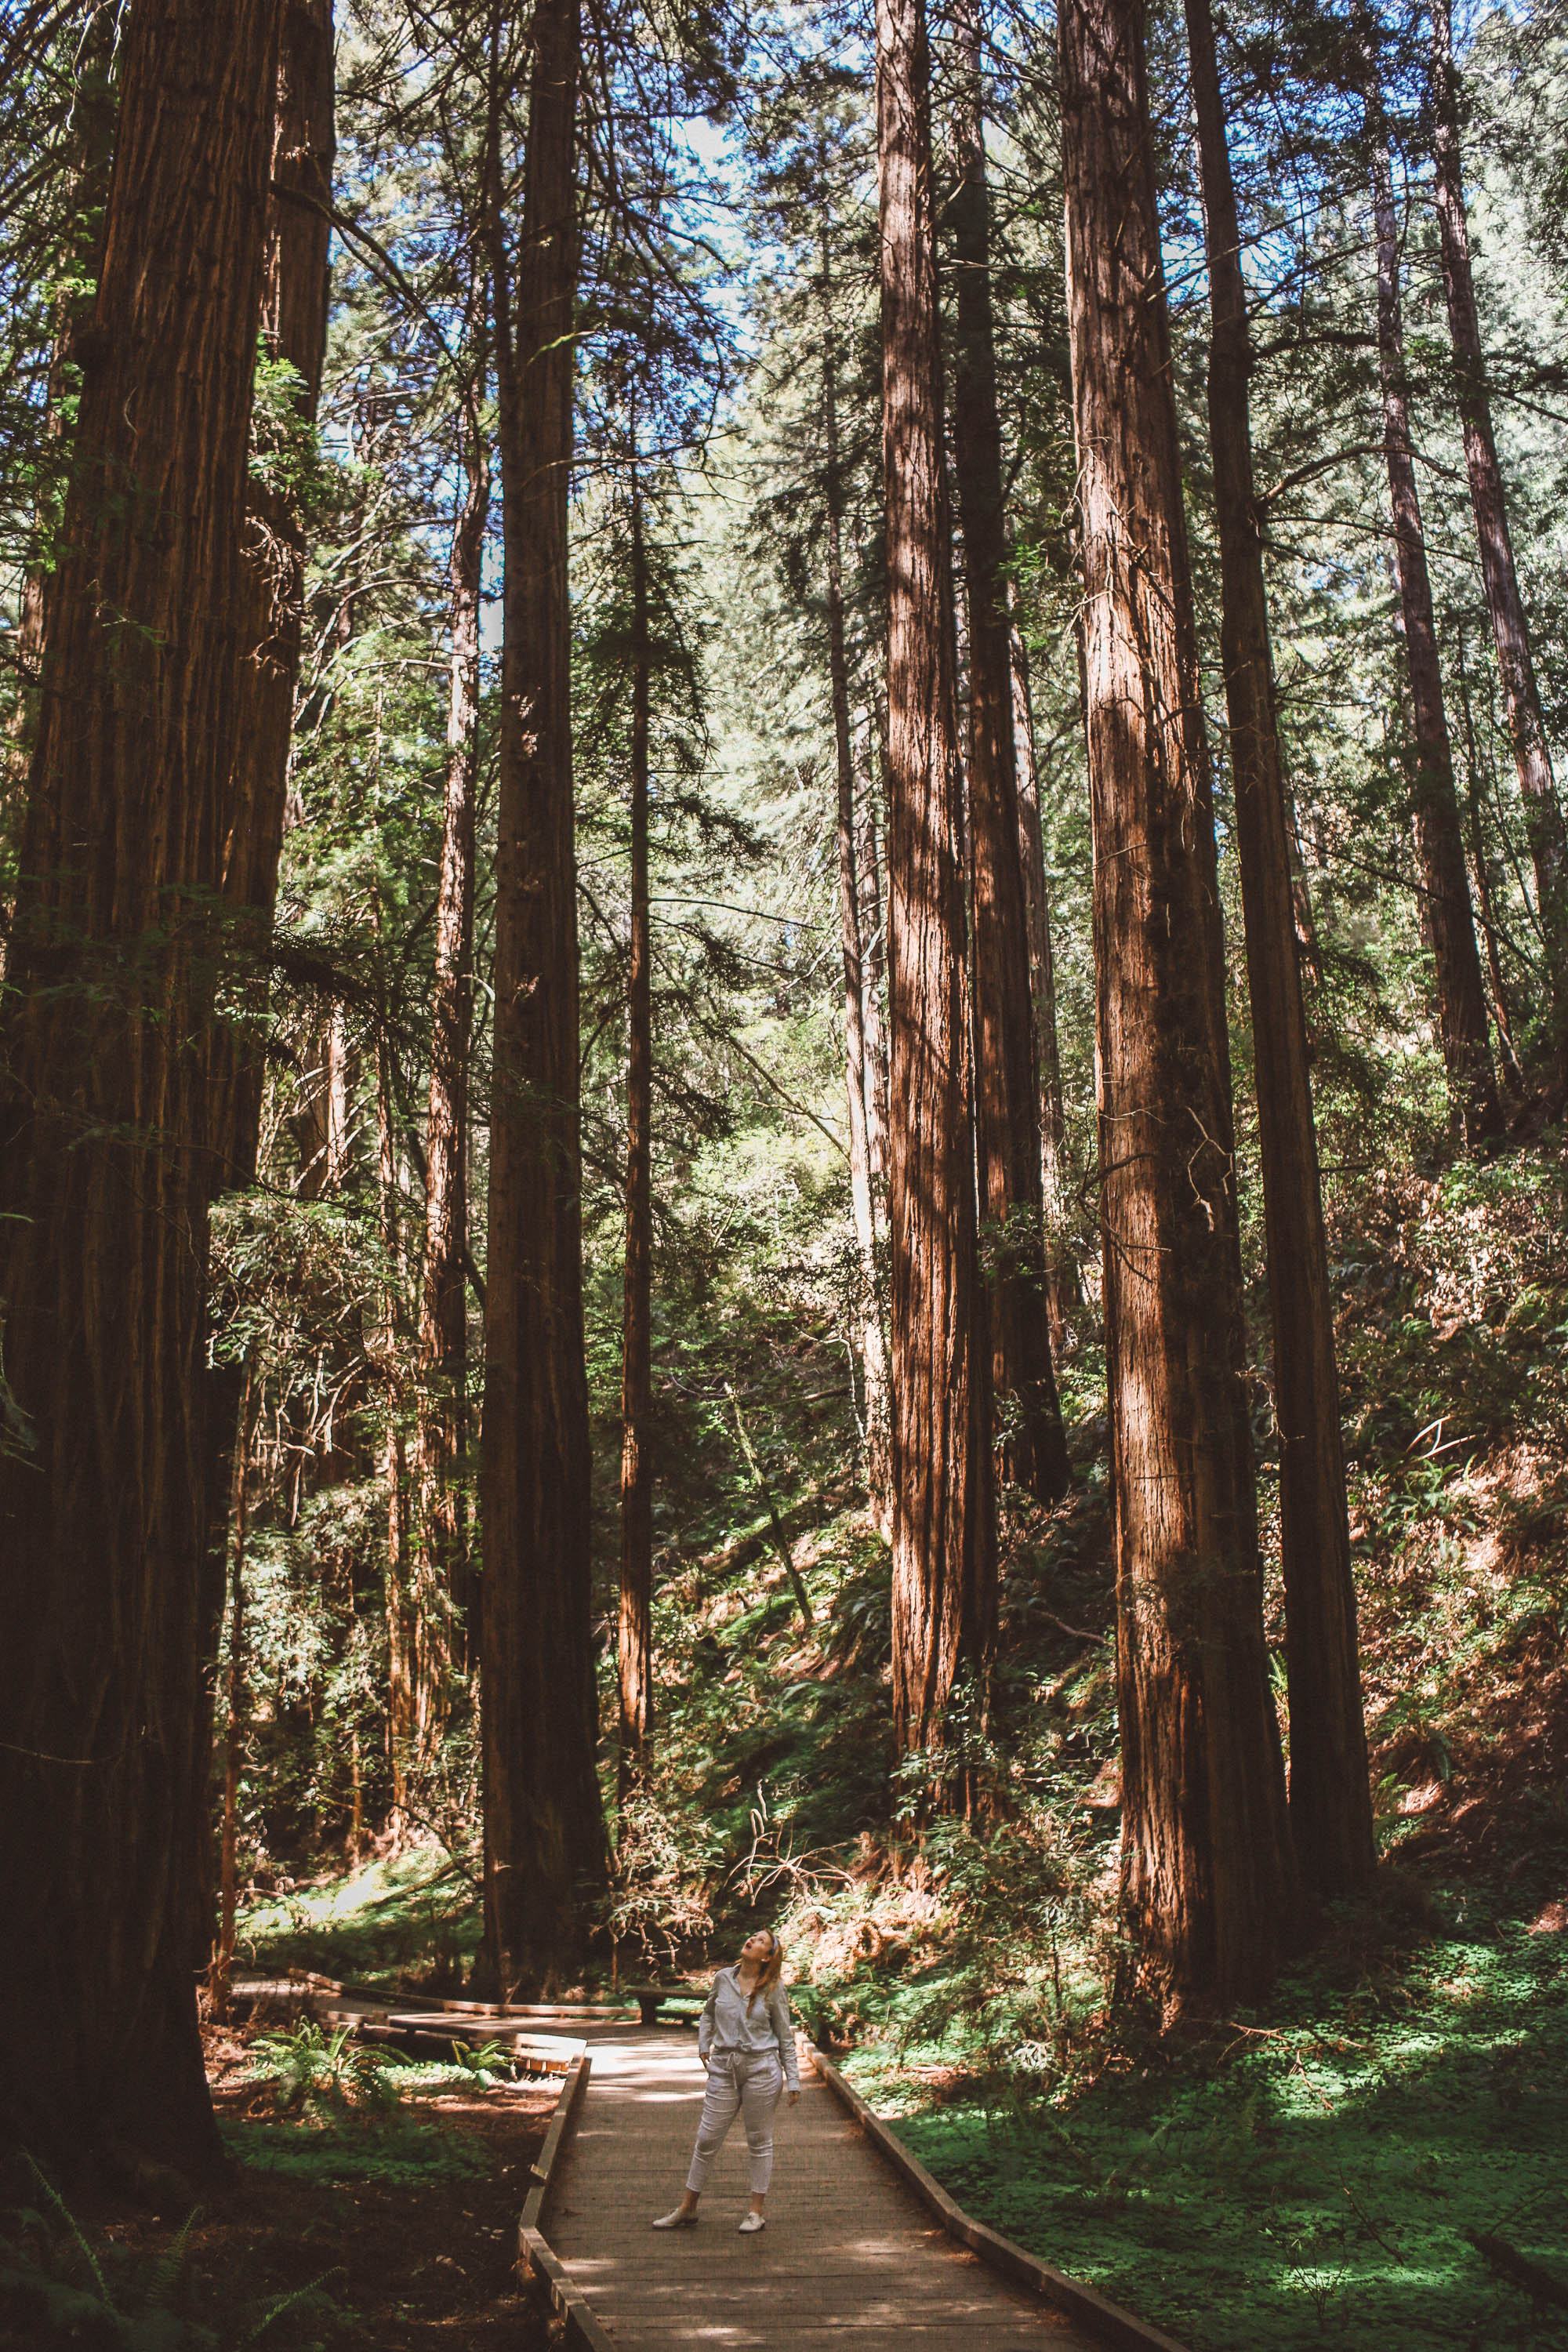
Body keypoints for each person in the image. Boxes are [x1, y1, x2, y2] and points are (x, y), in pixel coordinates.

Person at [652, 1928, 800, 2234]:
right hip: (723, 2068)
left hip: (762, 2069)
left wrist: (794, 2080)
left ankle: (755, 2212)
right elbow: (707, 2014)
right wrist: (703, 2044)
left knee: (759, 2141)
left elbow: (785, 2037)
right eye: (753, 1936)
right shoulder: (723, 1979)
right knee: (706, 2139)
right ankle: (687, 2208)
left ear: (768, 1957)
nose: (752, 1940)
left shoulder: (774, 1988)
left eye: (761, 1941)